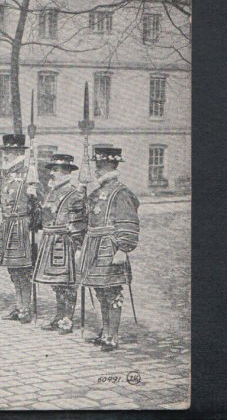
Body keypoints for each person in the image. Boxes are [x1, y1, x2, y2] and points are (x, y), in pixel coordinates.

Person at [79, 147, 140, 352]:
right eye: (97, 164)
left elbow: (129, 221)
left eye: (101, 165)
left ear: (111, 166)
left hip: (111, 248)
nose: (96, 169)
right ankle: (104, 332)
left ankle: (113, 336)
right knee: (101, 291)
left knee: (113, 291)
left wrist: (124, 249)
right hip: (94, 247)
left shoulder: (121, 192)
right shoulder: (97, 192)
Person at [32, 154, 86, 334]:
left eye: (56, 170)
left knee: (69, 283)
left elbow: (79, 223)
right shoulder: (51, 192)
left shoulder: (74, 194)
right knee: (57, 283)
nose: (52, 174)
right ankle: (58, 315)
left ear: (66, 173)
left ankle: (67, 319)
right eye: (52, 170)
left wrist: (78, 247)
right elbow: (44, 217)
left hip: (66, 242)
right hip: (51, 241)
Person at [0, 134, 44, 324]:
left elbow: (39, 203)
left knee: (24, 269)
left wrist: (36, 224)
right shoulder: (7, 174)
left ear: (17, 152)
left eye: (9, 151)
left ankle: (25, 308)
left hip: (22, 226)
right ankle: (19, 305)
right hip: (8, 224)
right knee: (13, 270)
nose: (5, 155)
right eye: (5, 151)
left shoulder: (28, 172)